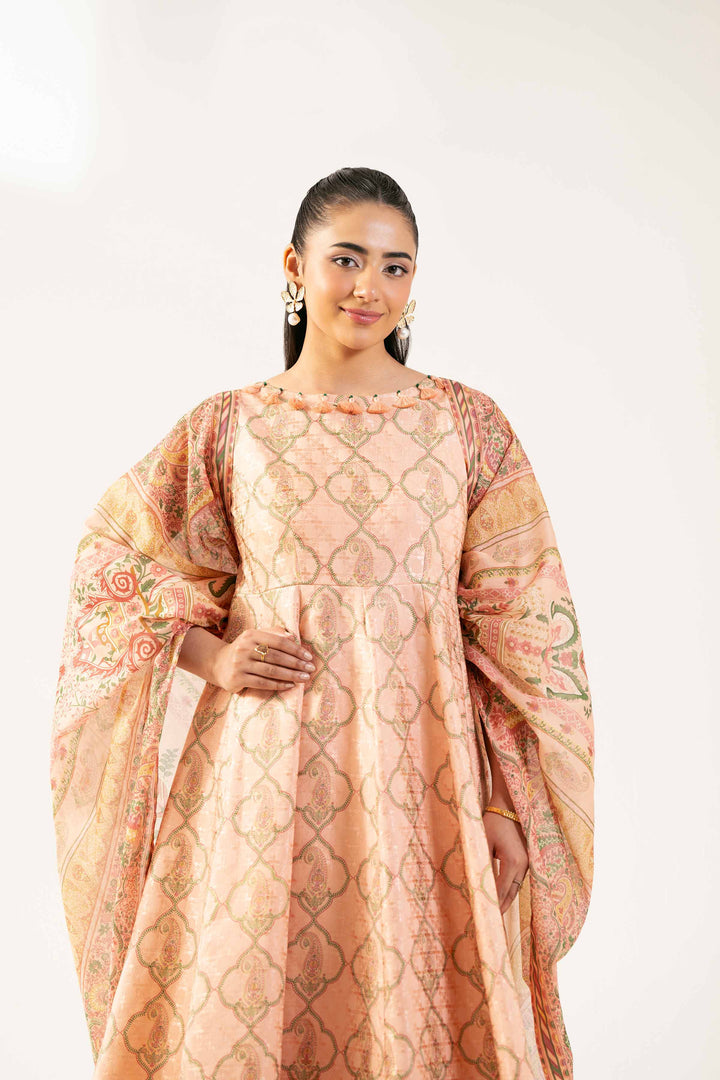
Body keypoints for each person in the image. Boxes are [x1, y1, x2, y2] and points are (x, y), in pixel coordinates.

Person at [51, 166, 594, 1079]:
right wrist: (215, 659)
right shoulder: (231, 428)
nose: (368, 286)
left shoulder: (469, 428)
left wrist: (504, 802)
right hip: (258, 778)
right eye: (346, 259)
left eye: (394, 266)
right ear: (294, 267)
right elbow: (114, 568)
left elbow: (520, 630)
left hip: (425, 785)